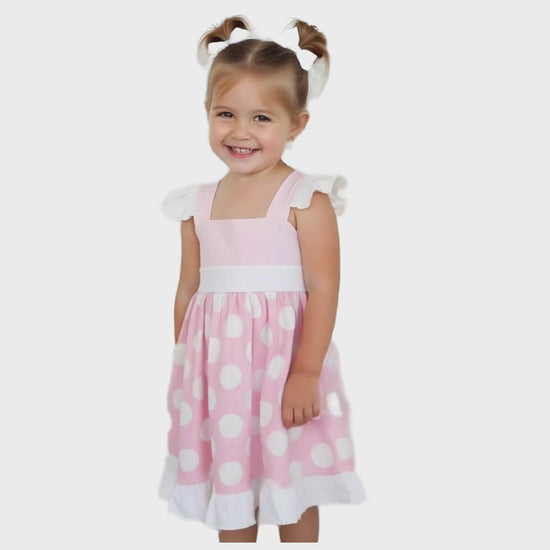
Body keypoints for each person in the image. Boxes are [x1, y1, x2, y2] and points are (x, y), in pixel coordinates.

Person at [158, 15, 366, 543]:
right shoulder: (197, 205)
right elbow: (188, 290)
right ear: (207, 111)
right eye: (226, 114)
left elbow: (324, 287)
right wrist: (188, 365)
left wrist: (306, 372)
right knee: (231, 479)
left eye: (261, 118)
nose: (241, 131)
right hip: (218, 376)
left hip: (284, 367)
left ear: (296, 124)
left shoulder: (306, 199)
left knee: (289, 478)